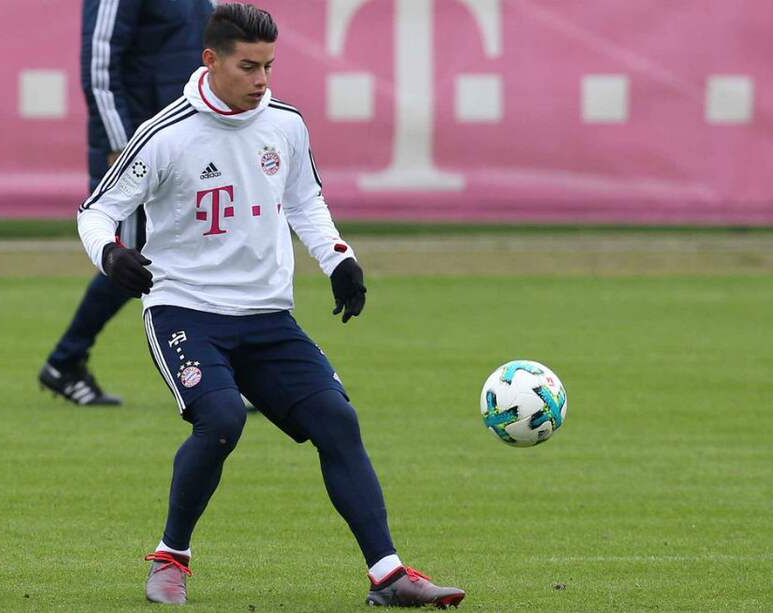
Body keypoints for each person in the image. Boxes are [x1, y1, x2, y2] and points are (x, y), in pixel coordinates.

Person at [77, 3, 467, 607]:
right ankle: (170, 558)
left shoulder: (284, 123)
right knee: (224, 419)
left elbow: (306, 202)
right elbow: (95, 211)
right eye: (249, 66)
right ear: (211, 61)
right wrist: (109, 254)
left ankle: (388, 576)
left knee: (338, 421)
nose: (262, 80)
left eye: (269, 66)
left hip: (266, 316)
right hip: (184, 309)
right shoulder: (165, 134)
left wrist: (339, 259)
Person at [38, 0, 215, 405]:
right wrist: (122, 141)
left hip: (190, 138)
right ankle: (65, 361)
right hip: (137, 141)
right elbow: (99, 66)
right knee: (134, 255)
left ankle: (222, 372)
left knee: (203, 245)